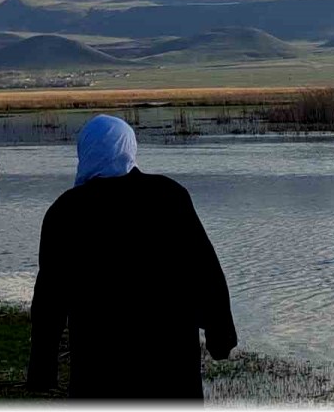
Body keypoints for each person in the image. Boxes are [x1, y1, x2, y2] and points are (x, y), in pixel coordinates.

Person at [27, 115, 238, 399]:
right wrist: (220, 336)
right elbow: (205, 271)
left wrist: (42, 369)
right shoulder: (169, 196)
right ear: (129, 147)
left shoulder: (66, 211)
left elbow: (49, 299)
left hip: (101, 363)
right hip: (170, 359)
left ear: (86, 151)